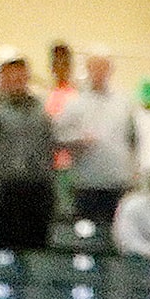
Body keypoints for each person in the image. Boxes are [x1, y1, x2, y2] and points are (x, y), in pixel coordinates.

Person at [0, 49, 58, 253]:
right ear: (2, 76)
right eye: (12, 73)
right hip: (6, 193)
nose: (18, 78)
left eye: (22, 73)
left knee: (37, 252)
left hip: (38, 192)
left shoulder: (40, 111)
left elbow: (48, 149)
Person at [56, 47, 136, 226]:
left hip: (118, 183)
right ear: (88, 69)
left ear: (110, 70)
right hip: (86, 184)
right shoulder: (74, 103)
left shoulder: (124, 102)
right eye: (94, 67)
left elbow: (133, 139)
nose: (99, 72)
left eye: (103, 67)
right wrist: (77, 140)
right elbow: (57, 136)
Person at [43, 40, 78, 120]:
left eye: (64, 62)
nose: (61, 66)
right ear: (52, 67)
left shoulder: (78, 94)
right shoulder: (45, 96)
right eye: (57, 62)